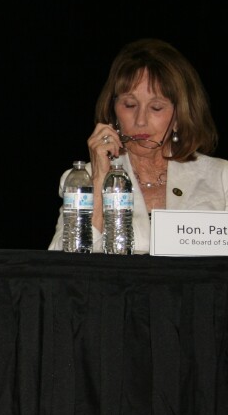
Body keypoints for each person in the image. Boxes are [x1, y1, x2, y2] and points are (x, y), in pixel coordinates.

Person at [48, 38, 227, 254]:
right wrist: (99, 179)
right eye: (130, 105)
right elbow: (59, 263)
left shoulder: (221, 177)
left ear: (180, 117)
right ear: (114, 111)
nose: (141, 120)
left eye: (156, 107)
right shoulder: (81, 180)